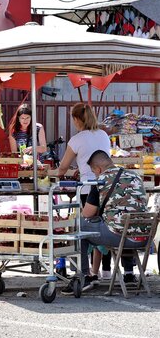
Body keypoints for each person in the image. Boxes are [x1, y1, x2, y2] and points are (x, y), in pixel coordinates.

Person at [62, 150, 148, 294]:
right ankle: (128, 273)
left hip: (119, 236)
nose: (95, 175)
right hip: (142, 238)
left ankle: (83, 276)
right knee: (123, 222)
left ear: (98, 169)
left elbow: (87, 214)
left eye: (94, 172)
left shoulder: (101, 180)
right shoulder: (135, 176)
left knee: (78, 226)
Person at [58, 102, 112, 279]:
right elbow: (99, 158)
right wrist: (81, 167)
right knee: (106, 224)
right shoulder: (104, 134)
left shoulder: (77, 139)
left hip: (87, 189)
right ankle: (105, 270)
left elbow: (62, 167)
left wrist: (58, 173)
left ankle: (85, 272)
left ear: (76, 119)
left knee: (87, 228)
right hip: (107, 185)